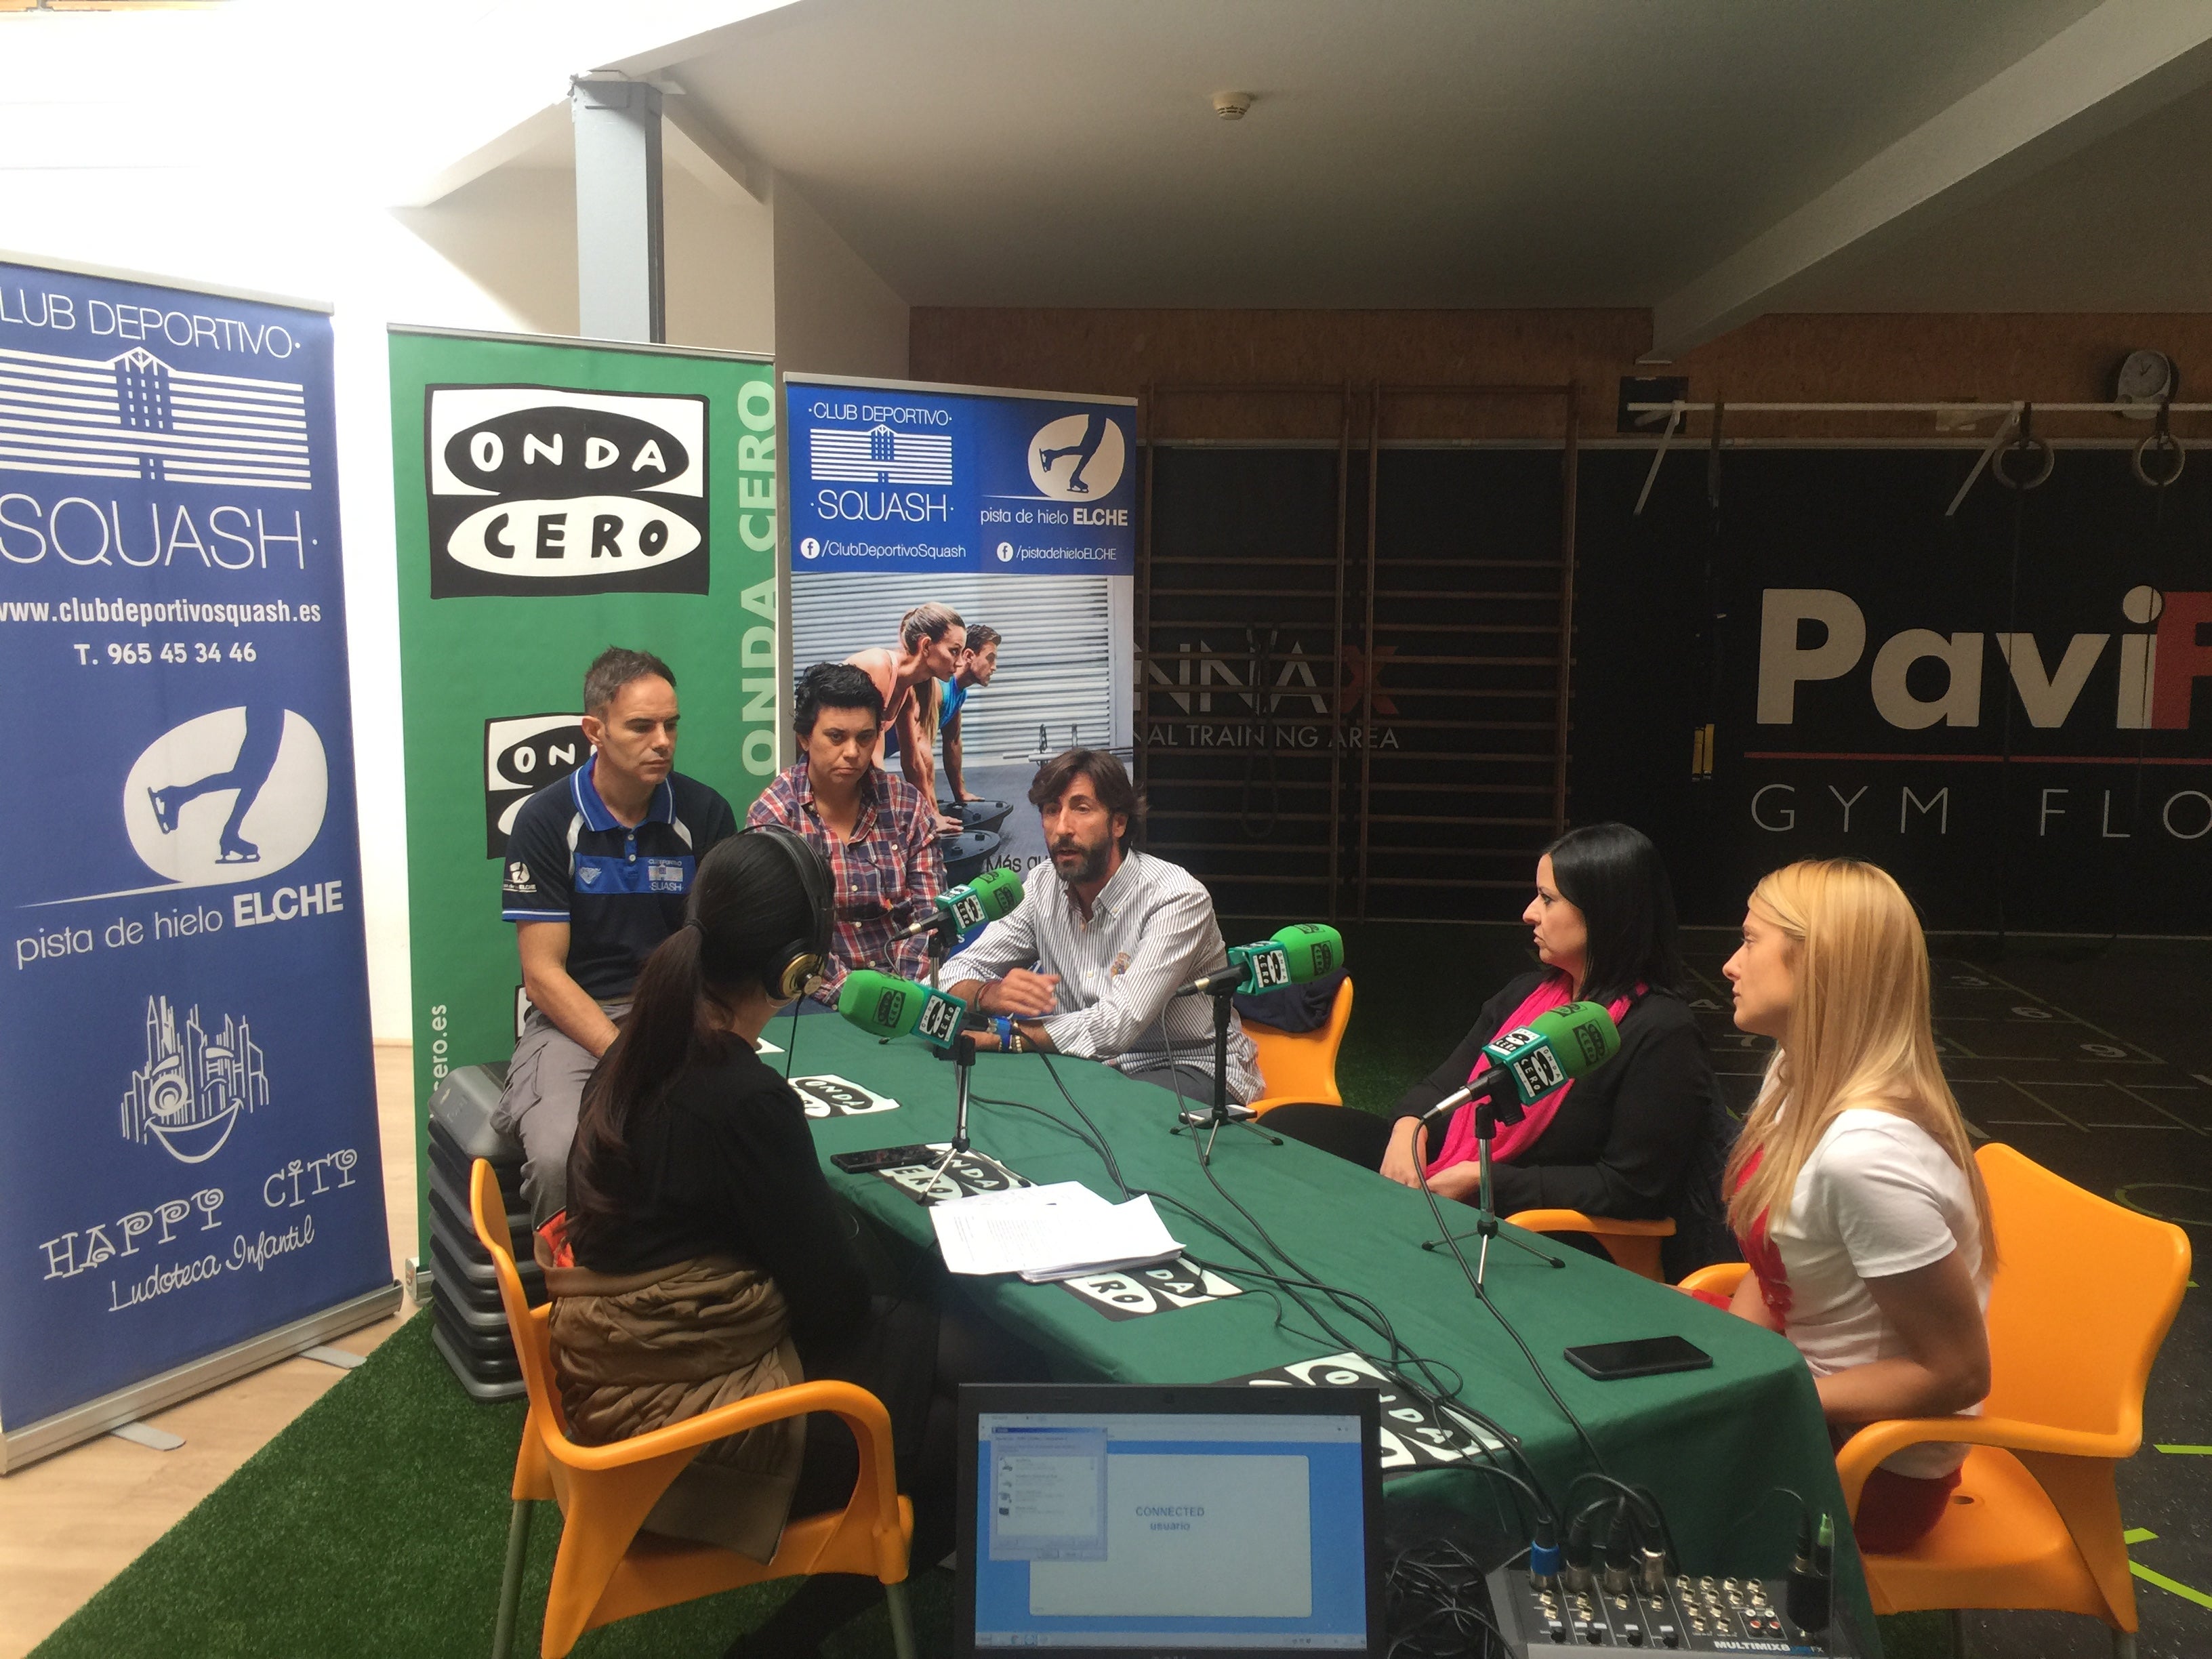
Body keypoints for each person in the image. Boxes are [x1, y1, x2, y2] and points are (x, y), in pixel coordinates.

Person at [548, 827, 954, 1657]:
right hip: (685, 1437)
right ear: (795, 971)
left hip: (624, 1379)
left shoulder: (637, 1053)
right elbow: (836, 1309)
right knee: (972, 1432)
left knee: (938, 1352)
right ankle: (779, 1646)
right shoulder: (741, 1098)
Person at [1267, 823, 1735, 1279]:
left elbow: (1631, 1187)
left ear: (1604, 911)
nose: (1530, 913)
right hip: (1458, 1179)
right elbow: (1438, 1088)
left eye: (1548, 900)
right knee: (1287, 1127)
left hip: (1547, 1230)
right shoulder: (1525, 994)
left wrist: (1483, 1180)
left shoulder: (1662, 1031)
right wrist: (1408, 1132)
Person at [1717, 858, 1994, 1555]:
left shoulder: (1865, 1156)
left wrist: (1755, 1394)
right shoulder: (1793, 1071)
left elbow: (1957, 1374)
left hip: (1870, 1469)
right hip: (1805, 1402)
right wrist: (1733, 1365)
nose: (1729, 964)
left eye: (1749, 941)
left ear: (1815, 964)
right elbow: (1774, 1266)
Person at [496, 648, 736, 1225]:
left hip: (681, 1019)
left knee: (743, 1134)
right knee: (559, 1159)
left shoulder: (705, 814)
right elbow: (543, 976)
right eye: (642, 726)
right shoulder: (546, 820)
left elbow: (724, 956)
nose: (663, 741)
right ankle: (573, 1311)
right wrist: (626, 1054)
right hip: (574, 1026)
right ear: (594, 732)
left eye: (671, 725)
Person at [940, 748, 1263, 1105]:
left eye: (1081, 808)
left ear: (1118, 823)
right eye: (1051, 811)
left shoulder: (1176, 898)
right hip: (1089, 1068)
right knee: (992, 1100)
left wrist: (1009, 1035)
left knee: (1093, 1110)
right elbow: (951, 973)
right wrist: (988, 995)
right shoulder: (1042, 886)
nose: (1062, 828)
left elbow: (1117, 1025)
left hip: (1190, 1066)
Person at [745, 662, 945, 1006]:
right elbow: (786, 936)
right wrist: (858, 999)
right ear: (805, 738)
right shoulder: (775, 816)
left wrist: (904, 994)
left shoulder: (906, 805)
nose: (853, 752)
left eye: (865, 737)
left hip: (908, 992)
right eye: (836, 737)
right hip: (809, 1001)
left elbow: (931, 916)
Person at [848, 601, 964, 830]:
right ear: (927, 645)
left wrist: (932, 815)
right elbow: (872, 758)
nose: (960, 663)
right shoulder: (879, 667)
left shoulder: (907, 693)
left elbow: (913, 762)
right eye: (954, 651)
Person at [938, 621, 1001, 806]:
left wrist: (960, 793)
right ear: (969, 656)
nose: (994, 667)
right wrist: (931, 809)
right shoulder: (940, 688)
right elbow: (918, 749)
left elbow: (953, 742)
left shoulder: (959, 693)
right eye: (990, 658)